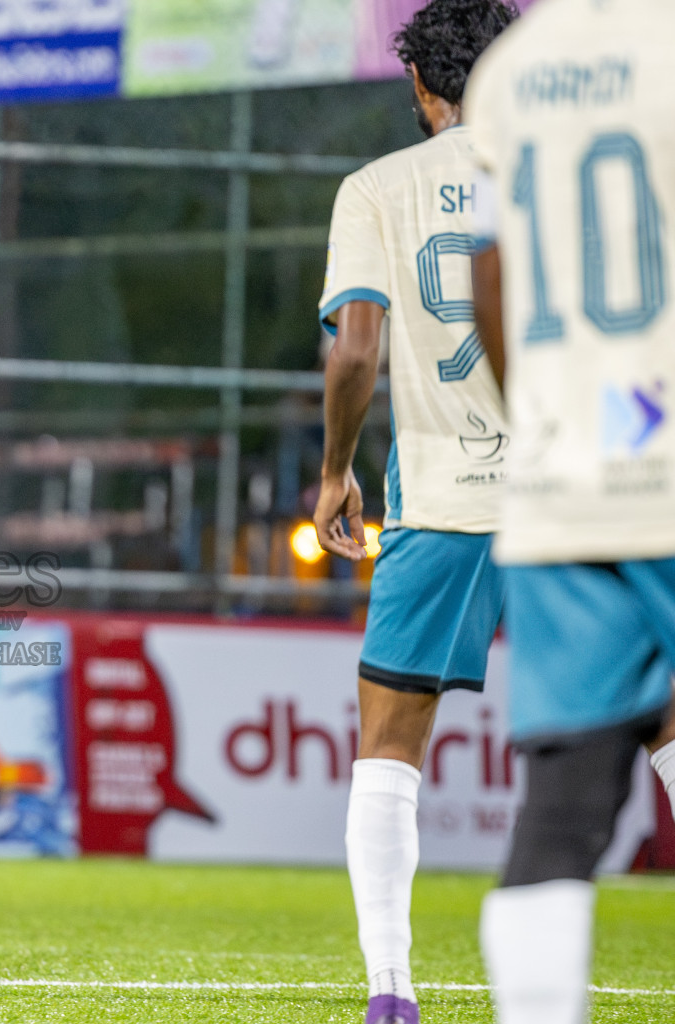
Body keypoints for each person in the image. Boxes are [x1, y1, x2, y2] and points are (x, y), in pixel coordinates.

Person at [466, 2, 675, 1020]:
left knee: (559, 818)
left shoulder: (513, 69)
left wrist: (545, 421)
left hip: (563, 485)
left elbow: (491, 271)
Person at [313, 3, 518, 1022]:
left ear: (429, 93)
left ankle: (391, 990)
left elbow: (354, 348)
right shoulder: (576, 165)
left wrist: (335, 471)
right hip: (581, 492)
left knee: (390, 743)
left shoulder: (379, 188)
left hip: (446, 495)